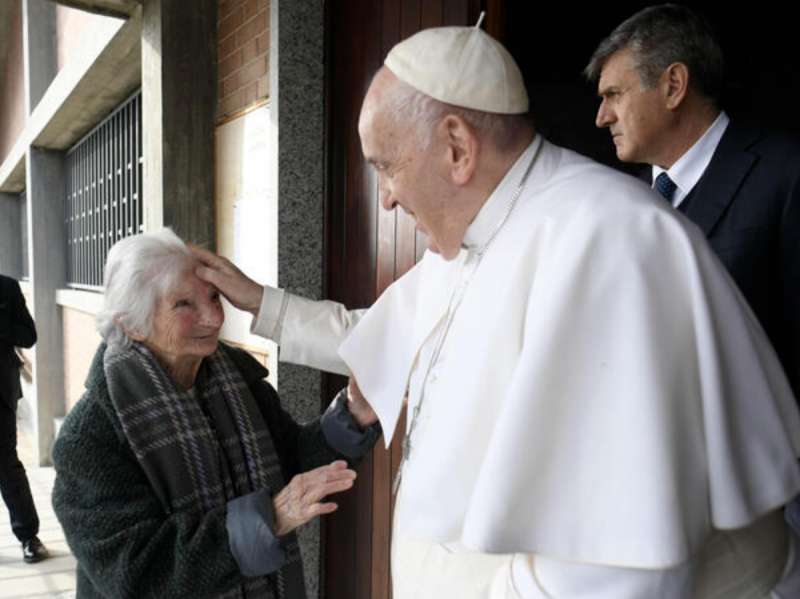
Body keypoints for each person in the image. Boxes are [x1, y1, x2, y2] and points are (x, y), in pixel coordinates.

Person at [194, 23, 800, 598]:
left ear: (457, 146)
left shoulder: (607, 240)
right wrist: (258, 302)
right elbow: (376, 335)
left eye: (385, 165)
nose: (386, 197)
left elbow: (610, 570)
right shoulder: (469, 242)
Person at [51, 229, 379, 599]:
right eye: (184, 305)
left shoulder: (236, 378)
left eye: (213, 297)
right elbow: (139, 574)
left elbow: (291, 462)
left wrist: (353, 414)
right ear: (131, 323)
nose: (213, 317)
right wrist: (268, 519)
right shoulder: (91, 438)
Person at [585, 4, 800, 398]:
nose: (602, 117)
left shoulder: (786, 175)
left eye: (614, 94)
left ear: (673, 85)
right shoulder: (623, 198)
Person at [0, 273, 49, 563]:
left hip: (0, 392)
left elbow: (28, 336)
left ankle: (29, 536)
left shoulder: (7, 287)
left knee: (7, 465)